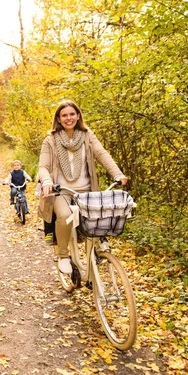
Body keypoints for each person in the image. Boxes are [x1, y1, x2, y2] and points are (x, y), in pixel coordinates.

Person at [38, 100, 128, 274]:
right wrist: (47, 181)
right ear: (58, 118)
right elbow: (43, 166)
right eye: (64, 115)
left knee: (97, 219)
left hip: (87, 189)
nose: (69, 118)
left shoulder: (87, 135)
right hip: (61, 191)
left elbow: (101, 154)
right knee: (64, 216)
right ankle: (64, 256)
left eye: (72, 114)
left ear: (78, 116)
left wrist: (117, 173)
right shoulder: (50, 140)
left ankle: (94, 252)